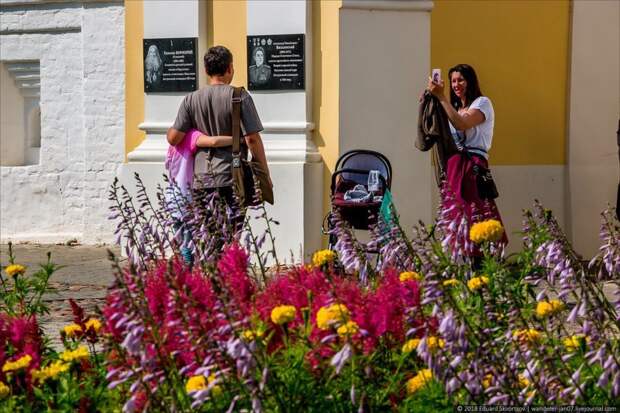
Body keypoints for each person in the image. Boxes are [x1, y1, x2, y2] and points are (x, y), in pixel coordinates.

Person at [167, 45, 271, 229]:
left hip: (200, 178)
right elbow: (252, 139)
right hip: (232, 175)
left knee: (209, 237)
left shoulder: (190, 99)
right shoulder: (239, 96)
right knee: (231, 236)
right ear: (230, 68)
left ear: (207, 70)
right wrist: (264, 173)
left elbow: (174, 138)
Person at [427, 63, 507, 257]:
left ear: (470, 81)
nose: (456, 85)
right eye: (453, 81)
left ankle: (482, 266)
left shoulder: (482, 103)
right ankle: (466, 265)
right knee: (457, 217)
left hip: (473, 166)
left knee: (475, 213)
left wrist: (441, 96)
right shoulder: (453, 108)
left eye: (461, 80)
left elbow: (461, 123)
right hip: (454, 166)